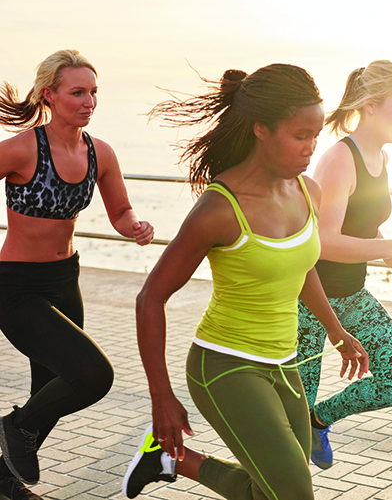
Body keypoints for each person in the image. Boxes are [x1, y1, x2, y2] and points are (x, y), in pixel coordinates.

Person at [122, 65, 368, 500]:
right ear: (261, 130)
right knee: (293, 493)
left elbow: (300, 265)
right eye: (300, 135)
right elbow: (151, 298)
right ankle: (166, 449)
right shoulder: (220, 208)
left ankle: (170, 459)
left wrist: (335, 329)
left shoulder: (308, 191)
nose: (311, 148)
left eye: (316, 134)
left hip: (285, 363)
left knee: (273, 489)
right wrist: (161, 396)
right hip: (225, 365)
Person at [0, 49, 154, 499]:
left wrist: (135, 228)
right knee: (92, 375)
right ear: (50, 94)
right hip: (17, 286)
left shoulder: (98, 152)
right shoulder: (24, 147)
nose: (88, 101)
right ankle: (13, 426)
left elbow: (121, 210)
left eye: (93, 93)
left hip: (66, 281)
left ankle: (5, 483)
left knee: (49, 390)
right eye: (77, 92)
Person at [296, 60, 392, 470]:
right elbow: (323, 243)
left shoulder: (380, 157)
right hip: (308, 303)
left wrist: (388, 251)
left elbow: (357, 225)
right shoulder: (339, 159)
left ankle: (320, 420)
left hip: (351, 296)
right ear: (370, 105)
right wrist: (388, 244)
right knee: (291, 420)